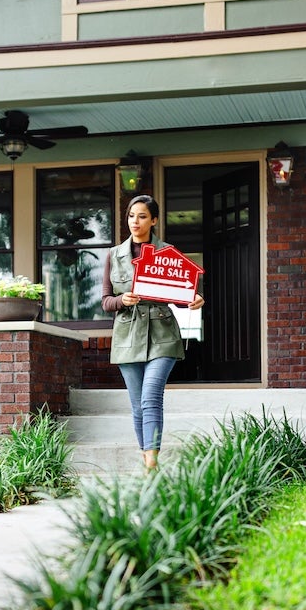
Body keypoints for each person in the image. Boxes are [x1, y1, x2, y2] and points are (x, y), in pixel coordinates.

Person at [101, 194, 205, 473]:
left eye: (143, 216)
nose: (136, 221)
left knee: (150, 397)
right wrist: (121, 300)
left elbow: (182, 294)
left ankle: (152, 462)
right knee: (137, 405)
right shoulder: (113, 255)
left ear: (154, 220)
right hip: (127, 335)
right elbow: (105, 301)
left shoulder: (168, 252)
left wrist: (194, 299)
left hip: (163, 333)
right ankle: (147, 457)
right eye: (132, 216)